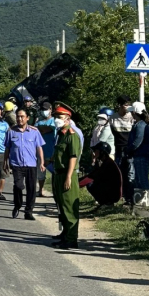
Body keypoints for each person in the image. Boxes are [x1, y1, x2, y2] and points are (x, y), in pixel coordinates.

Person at [50, 102, 82, 249]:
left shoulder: (72, 135)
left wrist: (68, 177)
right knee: (61, 206)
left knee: (69, 207)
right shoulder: (61, 134)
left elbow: (73, 157)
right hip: (58, 174)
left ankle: (71, 239)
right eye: (56, 116)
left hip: (67, 174)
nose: (57, 119)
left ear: (68, 118)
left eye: (60, 116)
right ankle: (65, 235)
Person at [4, 108, 45, 219]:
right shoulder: (11, 131)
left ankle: (28, 212)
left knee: (31, 189)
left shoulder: (34, 131)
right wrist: (5, 161)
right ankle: (17, 205)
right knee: (18, 186)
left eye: (22, 116)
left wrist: (42, 162)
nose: (19, 119)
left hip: (31, 164)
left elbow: (39, 147)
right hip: (16, 164)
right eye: (18, 116)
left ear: (27, 118)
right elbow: (7, 148)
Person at [110, 96, 135, 203]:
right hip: (119, 149)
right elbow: (111, 133)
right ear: (120, 105)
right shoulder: (113, 118)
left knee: (130, 174)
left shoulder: (132, 117)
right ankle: (120, 195)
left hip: (129, 149)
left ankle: (130, 197)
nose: (128, 107)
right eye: (125, 105)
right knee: (119, 173)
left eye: (129, 104)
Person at [126, 101, 149, 192]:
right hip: (140, 155)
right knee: (139, 180)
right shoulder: (140, 124)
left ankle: (147, 198)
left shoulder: (140, 125)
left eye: (131, 112)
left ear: (134, 112)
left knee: (142, 181)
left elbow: (137, 141)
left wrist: (128, 149)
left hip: (141, 155)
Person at [35, 101, 56, 198]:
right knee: (40, 173)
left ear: (51, 109)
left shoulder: (54, 121)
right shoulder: (38, 122)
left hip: (51, 151)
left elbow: (49, 129)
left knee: (54, 173)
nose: (44, 111)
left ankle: (55, 191)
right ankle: (40, 190)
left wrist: (41, 129)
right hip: (40, 152)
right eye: (43, 109)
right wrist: (42, 129)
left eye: (46, 109)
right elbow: (36, 131)